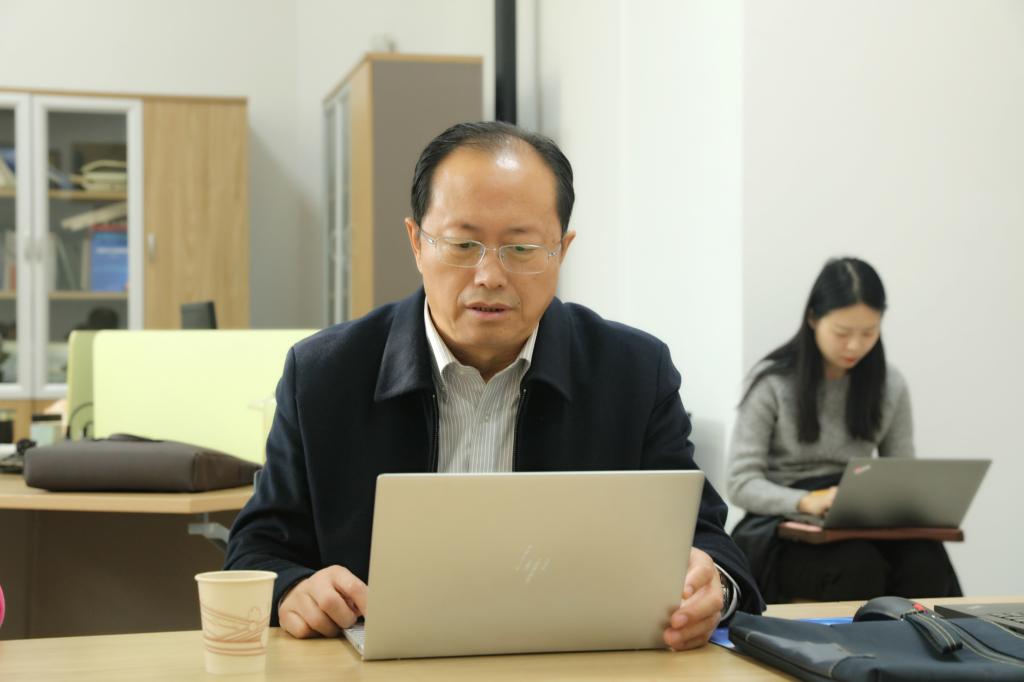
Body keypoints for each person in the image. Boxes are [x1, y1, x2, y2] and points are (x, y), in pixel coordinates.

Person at [225, 121, 765, 650]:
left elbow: (710, 544)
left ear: (562, 251)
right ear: (416, 243)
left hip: (575, 664)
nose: (489, 275)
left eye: (521, 249)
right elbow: (255, 551)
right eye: (462, 244)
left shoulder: (634, 373)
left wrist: (712, 586)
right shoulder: (324, 374)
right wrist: (293, 588)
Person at [727, 257, 962, 603]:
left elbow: (901, 474)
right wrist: (807, 501)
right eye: (842, 333)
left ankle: (927, 639)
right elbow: (740, 483)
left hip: (858, 517)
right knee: (857, 564)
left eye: (869, 333)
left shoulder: (889, 384)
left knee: (926, 560)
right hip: (785, 525)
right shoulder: (773, 382)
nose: (855, 345)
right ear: (813, 319)